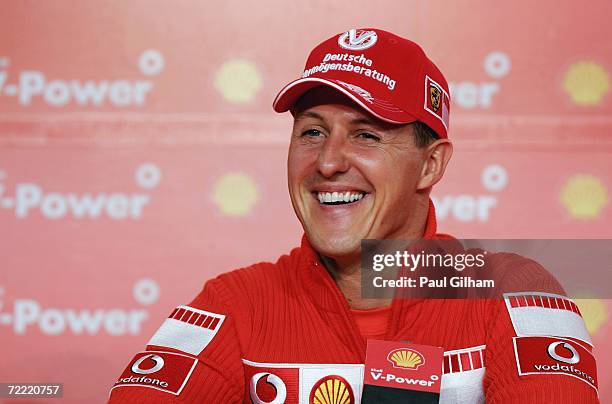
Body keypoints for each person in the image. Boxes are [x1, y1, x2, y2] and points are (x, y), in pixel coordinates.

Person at [108, 28, 598, 403]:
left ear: (431, 164)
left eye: (366, 135)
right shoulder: (235, 303)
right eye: (312, 132)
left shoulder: (513, 292)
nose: (327, 162)